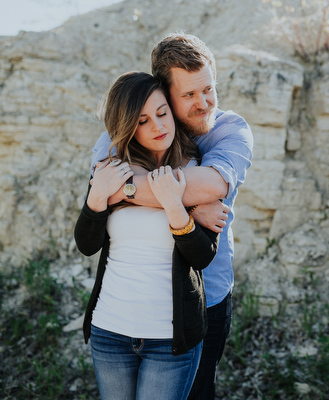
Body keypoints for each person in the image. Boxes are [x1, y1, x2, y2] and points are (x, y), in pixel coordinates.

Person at [90, 33, 254, 400]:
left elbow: (212, 184)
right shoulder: (129, 127)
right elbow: (98, 183)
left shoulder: (231, 129)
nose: (204, 104)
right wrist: (189, 205)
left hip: (206, 298)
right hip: (131, 309)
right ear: (162, 93)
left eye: (208, 89)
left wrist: (128, 190)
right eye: (189, 95)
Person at [75, 71, 220, 399]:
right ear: (127, 126)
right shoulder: (112, 170)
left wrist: (175, 207)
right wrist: (97, 197)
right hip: (110, 331)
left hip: (169, 340)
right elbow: (86, 245)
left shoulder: (197, 171)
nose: (158, 126)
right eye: (142, 120)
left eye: (162, 113)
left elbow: (203, 256)